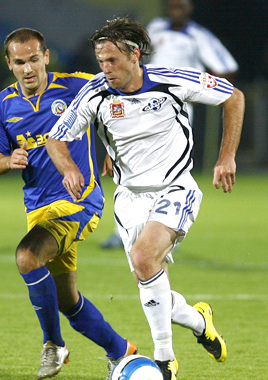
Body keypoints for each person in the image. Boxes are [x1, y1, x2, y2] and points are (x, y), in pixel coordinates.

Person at [46, 18, 244, 380]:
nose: (105, 69)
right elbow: (56, 138)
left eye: (112, 60)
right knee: (150, 282)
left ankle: (165, 360)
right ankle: (199, 321)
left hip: (175, 188)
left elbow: (233, 97)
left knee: (143, 257)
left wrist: (226, 157)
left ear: (135, 54)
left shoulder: (172, 80)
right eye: (101, 61)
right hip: (128, 198)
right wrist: (69, 167)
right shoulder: (95, 93)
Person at [0, 28, 137, 380]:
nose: (27, 69)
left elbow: (120, 104)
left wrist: (112, 147)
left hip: (79, 202)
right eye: (19, 62)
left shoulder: (76, 86)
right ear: (9, 64)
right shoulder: (3, 105)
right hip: (39, 210)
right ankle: (122, 350)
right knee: (67, 301)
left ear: (46, 57)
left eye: (33, 60)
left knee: (27, 257)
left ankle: (53, 344)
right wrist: (8, 160)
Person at [99, 0, 239, 250]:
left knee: (166, 171)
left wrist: (199, 94)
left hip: (173, 110)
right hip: (141, 105)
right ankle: (127, 230)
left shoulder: (199, 36)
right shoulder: (156, 27)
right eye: (172, 5)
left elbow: (227, 68)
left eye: (180, 5)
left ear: (189, 8)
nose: (175, 9)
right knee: (132, 169)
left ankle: (168, 228)